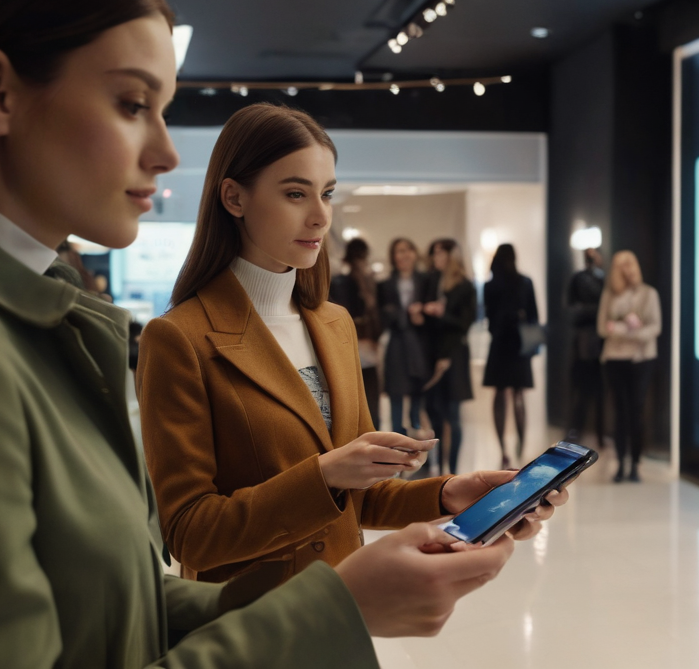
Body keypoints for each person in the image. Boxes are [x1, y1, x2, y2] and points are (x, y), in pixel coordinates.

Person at [0, 0, 526, 667]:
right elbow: (190, 536)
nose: (166, 150)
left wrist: (421, 518)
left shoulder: (26, 321)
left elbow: (112, 598)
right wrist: (332, 609)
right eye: (130, 103)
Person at [137, 104, 563, 594]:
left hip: (344, 609)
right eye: (295, 193)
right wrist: (324, 474)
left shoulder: (334, 323)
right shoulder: (180, 338)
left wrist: (450, 493)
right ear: (233, 197)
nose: (320, 216)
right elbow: (190, 535)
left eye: (327, 193)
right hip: (248, 626)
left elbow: (364, 498)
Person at [597, 250, 661, 482]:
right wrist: (625, 329)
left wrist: (624, 330)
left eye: (629, 264)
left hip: (641, 360)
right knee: (620, 413)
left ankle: (635, 463)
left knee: (636, 411)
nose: (625, 269)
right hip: (614, 360)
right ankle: (620, 463)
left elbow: (654, 327)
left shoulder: (648, 294)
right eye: (620, 265)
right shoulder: (609, 295)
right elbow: (603, 328)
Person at [422, 238, 477, 476]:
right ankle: (437, 468)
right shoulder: (432, 281)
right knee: (434, 412)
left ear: (451, 256)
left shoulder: (465, 286)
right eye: (434, 254)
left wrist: (441, 313)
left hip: (454, 355)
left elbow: (465, 324)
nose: (436, 259)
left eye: (440, 254)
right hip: (432, 353)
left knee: (453, 415)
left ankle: (453, 470)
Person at [482, 243, 540, 469]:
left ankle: (503, 449)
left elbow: (487, 317)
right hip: (518, 345)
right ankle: (520, 445)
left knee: (499, 395)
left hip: (499, 344)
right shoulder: (525, 282)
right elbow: (534, 316)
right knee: (518, 396)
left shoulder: (490, 285)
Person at [378, 237, 432, 437]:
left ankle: (417, 440)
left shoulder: (426, 280)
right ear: (393, 256)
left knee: (418, 392)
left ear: (415, 253)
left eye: (408, 249)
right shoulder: (385, 284)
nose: (404, 255)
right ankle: (396, 440)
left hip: (420, 343)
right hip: (397, 342)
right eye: (399, 251)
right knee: (396, 392)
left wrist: (423, 314)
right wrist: (403, 315)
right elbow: (381, 314)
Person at [329, 237, 381, 414]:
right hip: (358, 342)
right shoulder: (352, 282)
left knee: (361, 396)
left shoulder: (346, 281)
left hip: (354, 343)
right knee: (366, 395)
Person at [566, 248, 606, 445]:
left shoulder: (602, 279)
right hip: (584, 343)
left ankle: (599, 433)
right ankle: (576, 431)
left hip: (601, 341)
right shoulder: (579, 278)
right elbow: (571, 310)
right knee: (581, 391)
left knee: (598, 391)